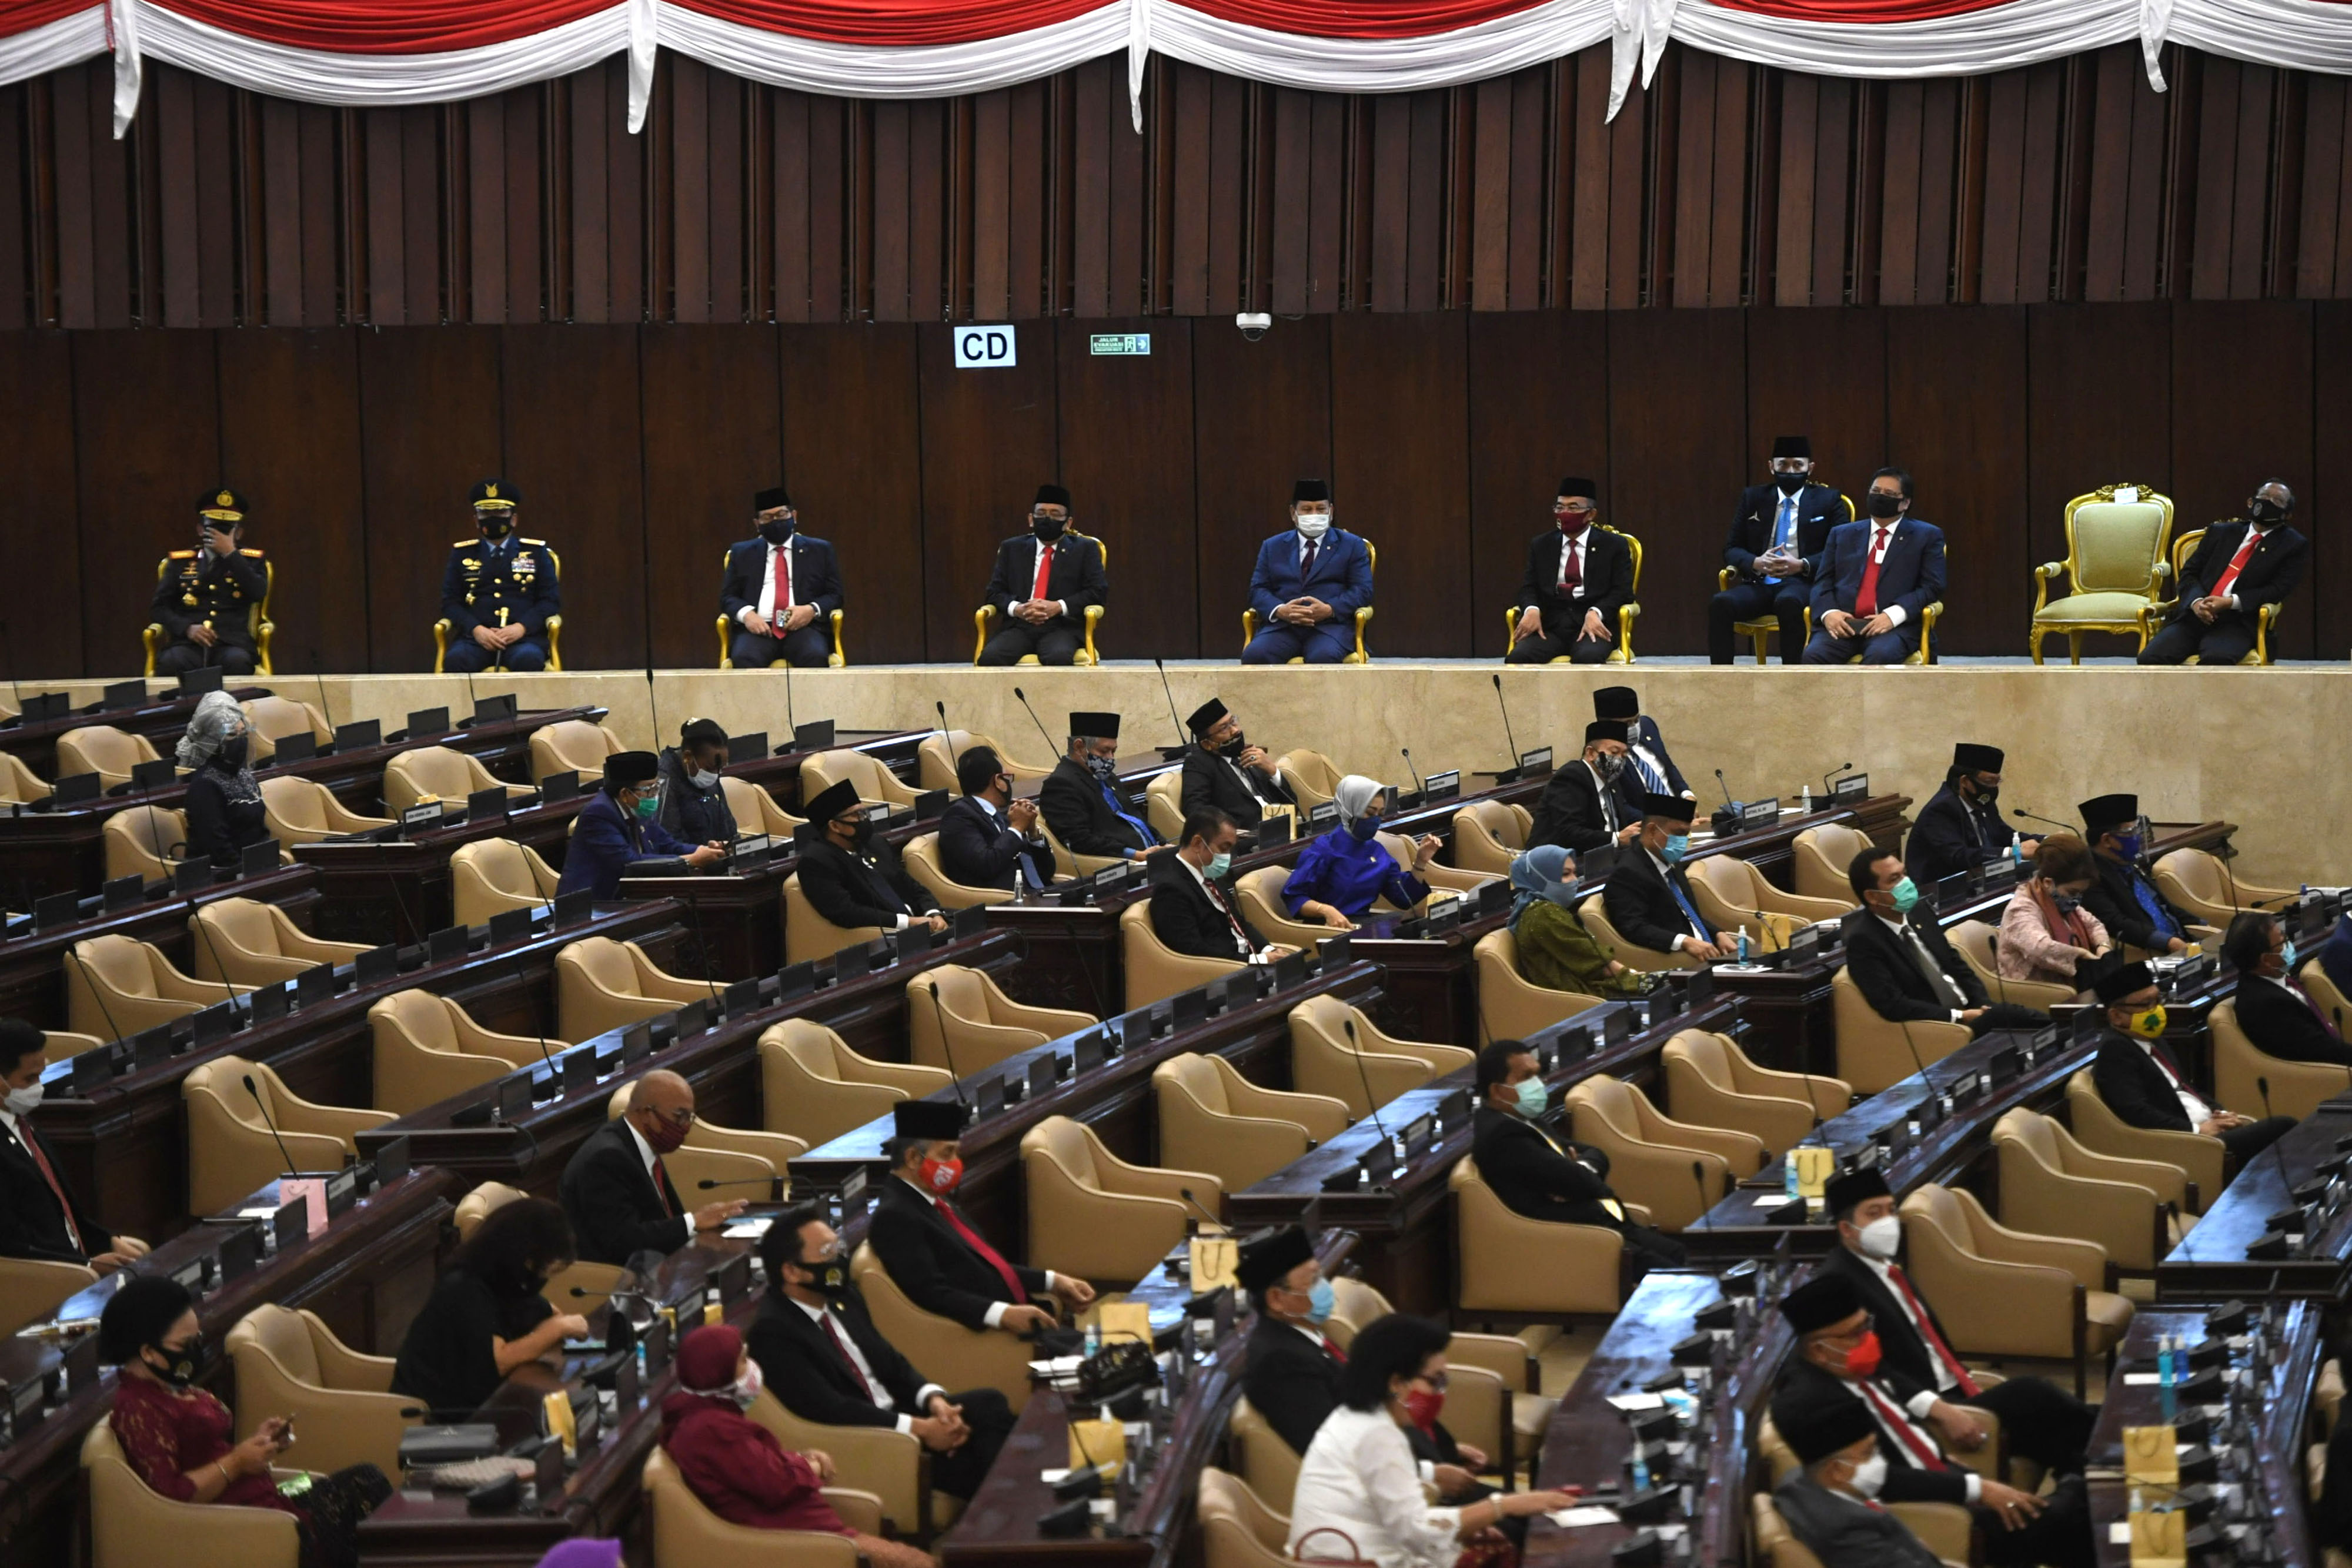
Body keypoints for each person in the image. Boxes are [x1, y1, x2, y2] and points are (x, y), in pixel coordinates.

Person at [1769, 1273, 2091, 1568]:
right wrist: (1977, 1488)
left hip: (1943, 1469)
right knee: (2076, 1509)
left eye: (1867, 1324)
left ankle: (2097, 1458)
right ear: (1820, 1350)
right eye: (1856, 1333)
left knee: (2033, 1403)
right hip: (1931, 1505)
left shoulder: (1848, 1359)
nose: (1868, 1338)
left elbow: (1889, 1380)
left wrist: (1937, 1427)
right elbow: (1873, 1477)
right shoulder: (1810, 1402)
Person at [101, 1273, 391, 1568]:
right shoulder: (138, 1408)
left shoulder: (170, 1383)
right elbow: (172, 1497)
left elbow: (209, 1452)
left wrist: (260, 1445)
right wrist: (239, 1461)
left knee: (365, 1482)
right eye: (184, 1344)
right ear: (148, 1351)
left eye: (197, 1340)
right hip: (244, 1522)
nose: (194, 1352)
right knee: (360, 1498)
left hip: (267, 1497)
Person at [1815, 1169, 2094, 1476]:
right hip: (1924, 1408)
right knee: (2034, 1394)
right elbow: (1864, 1369)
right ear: (1847, 1229)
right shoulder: (1838, 1283)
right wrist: (1940, 1410)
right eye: (1874, 1213)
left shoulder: (1882, 1265)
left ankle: (2090, 1474)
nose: (1888, 1221)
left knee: (2055, 1435)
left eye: (1891, 1210)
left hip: (1956, 1386)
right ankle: (2114, 1439)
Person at [1237, 1229, 1501, 1526]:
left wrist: (1447, 1451)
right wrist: (1428, 1473)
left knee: (1534, 1517)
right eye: (1312, 1282)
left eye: (1320, 1276)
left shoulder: (1303, 1336)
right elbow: (1335, 1450)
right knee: (1532, 1527)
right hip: (1398, 1501)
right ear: (1276, 1299)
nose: (1324, 1289)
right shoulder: (1280, 1362)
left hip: (1412, 1468)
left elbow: (1374, 1408)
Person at [747, 1203, 1013, 1499]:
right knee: (982, 1461)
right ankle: (1002, 1513)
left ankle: (1003, 1505)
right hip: (870, 1440)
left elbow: (891, 1361)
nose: (839, 1261)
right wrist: (921, 1430)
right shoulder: (774, 1332)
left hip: (901, 1414)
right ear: (792, 1271)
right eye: (827, 1254)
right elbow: (833, 1408)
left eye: (838, 1248)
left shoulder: (843, 1296)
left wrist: (936, 1402)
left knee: (990, 1404)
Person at [1286, 1313, 1577, 1568]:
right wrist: (1504, 1506)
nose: (1441, 1394)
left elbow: (1402, 1512)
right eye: (1434, 1381)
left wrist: (1469, 1524)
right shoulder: (1377, 1434)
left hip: (1364, 1547)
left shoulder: (1357, 1416)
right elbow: (1415, 1529)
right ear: (1395, 1382)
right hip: (1355, 1560)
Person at [659, 1323, 937, 1568]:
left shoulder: (711, 1418)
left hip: (817, 1533)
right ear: (718, 1372)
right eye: (744, 1359)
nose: (753, 1365)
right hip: (802, 1544)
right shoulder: (711, 1431)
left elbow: (755, 1468)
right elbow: (776, 1483)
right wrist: (811, 1466)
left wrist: (798, 1459)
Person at [867, 1100, 1095, 1334]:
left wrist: (1053, 1281)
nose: (956, 1163)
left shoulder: (935, 1200)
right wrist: (1001, 1315)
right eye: (948, 1153)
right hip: (996, 1337)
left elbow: (986, 1268)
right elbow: (931, 1294)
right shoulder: (895, 1217)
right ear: (914, 1158)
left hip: (1025, 1320)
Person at [1471, 1040, 1685, 1276]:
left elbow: (1596, 1154)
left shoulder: (1522, 1118)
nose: (1537, 1084)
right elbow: (1585, 1183)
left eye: (1537, 1074)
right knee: (1676, 1275)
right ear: (1496, 1090)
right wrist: (1576, 1171)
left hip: (1605, 1222)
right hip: (1577, 1237)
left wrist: (1578, 1167)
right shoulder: (1504, 1136)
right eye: (1526, 1077)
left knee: (1678, 1254)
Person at [391, 1196, 589, 1419]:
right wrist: (557, 1330)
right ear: (527, 1261)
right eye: (546, 1272)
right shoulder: (463, 1288)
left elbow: (547, 1313)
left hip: (480, 1407)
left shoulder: (506, 1281)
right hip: (437, 1421)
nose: (541, 1281)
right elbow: (500, 1361)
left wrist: (558, 1326)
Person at [2090, 960, 2293, 1162]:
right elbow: (2138, 1113)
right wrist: (2197, 1130)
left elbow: (2186, 1087)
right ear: (2116, 1016)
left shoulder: (2151, 1038)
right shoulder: (2115, 1050)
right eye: (2145, 1005)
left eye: (2157, 1000)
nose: (2156, 1010)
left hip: (2207, 1126)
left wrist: (2218, 1112)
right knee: (2284, 1126)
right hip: (2186, 1143)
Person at [1844, 848, 2048, 1038]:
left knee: (2025, 1022)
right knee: (2024, 1021)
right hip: (1939, 1028)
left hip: (1973, 1011)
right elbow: (1894, 1005)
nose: (1906, 883)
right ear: (1871, 896)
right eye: (1894, 879)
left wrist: (1982, 1004)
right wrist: (1959, 1016)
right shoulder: (1863, 940)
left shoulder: (1919, 911)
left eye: (1904, 874)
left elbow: (1955, 963)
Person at [557, 1068, 748, 1265]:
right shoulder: (605, 1159)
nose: (686, 1127)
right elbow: (623, 1241)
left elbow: (657, 1220)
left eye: (689, 1117)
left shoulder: (641, 1145)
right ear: (647, 1114)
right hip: (617, 1281)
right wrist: (694, 1222)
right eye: (679, 1116)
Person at [0, 1016, 147, 1270]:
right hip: (44, 1273)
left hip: (73, 1257)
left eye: (40, 1076)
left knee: (144, 1260)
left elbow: (64, 1210)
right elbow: (11, 1243)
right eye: (29, 1079)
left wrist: (107, 1241)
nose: (39, 1089)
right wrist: (86, 1265)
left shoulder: (25, 1124)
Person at [2140, 480, 2307, 666]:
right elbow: (2189, 574)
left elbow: (2277, 590)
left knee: (2216, 660)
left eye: (2277, 500)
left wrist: (2230, 603)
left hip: (2238, 622)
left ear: (2287, 514)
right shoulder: (2220, 533)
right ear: (2251, 502)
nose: (2268, 502)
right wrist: (2197, 603)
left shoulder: (2293, 545)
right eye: (2264, 497)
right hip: (2194, 616)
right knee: (2150, 658)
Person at [1711, 437, 1843, 666]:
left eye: (1797, 466)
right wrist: (1756, 562)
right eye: (1783, 465)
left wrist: (1802, 564)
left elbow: (1841, 553)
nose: (1790, 471)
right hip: (1759, 584)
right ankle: (1722, 681)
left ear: (1810, 468)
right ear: (1771, 466)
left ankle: (1791, 680)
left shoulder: (1828, 500)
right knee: (1720, 604)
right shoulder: (1753, 498)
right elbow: (1731, 549)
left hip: (1802, 583)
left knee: (1789, 602)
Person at [1771, 1396, 1944, 1568]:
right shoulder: (1847, 1532)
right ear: (1836, 1470)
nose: (1879, 1459)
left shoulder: (1796, 1483)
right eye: (1868, 1453)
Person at [1803, 469, 1945, 665]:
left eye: (1889, 495)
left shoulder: (1926, 536)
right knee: (1814, 655)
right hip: (1845, 624)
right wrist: (1829, 613)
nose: (1880, 497)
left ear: (1905, 503)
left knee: (1880, 656)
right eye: (1876, 491)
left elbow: (1932, 586)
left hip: (1894, 627)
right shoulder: (1842, 534)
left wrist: (1893, 615)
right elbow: (1823, 582)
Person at [554, 750, 726, 902]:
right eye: (648, 789)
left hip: (627, 898)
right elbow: (629, 863)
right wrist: (690, 861)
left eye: (656, 787)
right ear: (624, 794)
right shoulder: (599, 814)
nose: (654, 796)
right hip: (590, 906)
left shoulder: (637, 809)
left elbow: (667, 845)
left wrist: (705, 850)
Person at [1244, 480, 1374, 664]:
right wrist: (1281, 610)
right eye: (1307, 509)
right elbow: (1257, 590)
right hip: (1284, 627)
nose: (1315, 515)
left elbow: (1363, 590)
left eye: (1321, 509)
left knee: (1322, 657)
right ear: (1293, 513)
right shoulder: (1273, 546)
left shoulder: (1351, 545)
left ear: (1331, 512)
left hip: (1330, 628)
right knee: (1255, 656)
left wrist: (1330, 609)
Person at [1508, 477, 1635, 666]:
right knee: (1519, 656)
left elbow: (1623, 591)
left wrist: (1596, 612)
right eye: (1560, 508)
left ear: (1591, 514)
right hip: (1551, 627)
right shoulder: (1542, 545)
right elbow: (1529, 587)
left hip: (1593, 626)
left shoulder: (1613, 545)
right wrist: (1532, 610)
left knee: (1587, 657)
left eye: (1573, 508)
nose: (1565, 513)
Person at [1280, 776, 1435, 930]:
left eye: (1380, 814)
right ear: (1349, 810)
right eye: (1369, 813)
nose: (1375, 820)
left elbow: (1403, 898)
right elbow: (1294, 897)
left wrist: (1421, 861)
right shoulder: (1324, 849)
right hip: (1329, 928)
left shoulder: (1376, 850)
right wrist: (1326, 910)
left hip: (1363, 925)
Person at [797, 778, 948, 935]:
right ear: (835, 826)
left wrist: (933, 913)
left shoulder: (875, 843)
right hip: (888, 935)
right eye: (857, 815)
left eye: (865, 812)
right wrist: (908, 923)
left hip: (923, 921)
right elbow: (847, 912)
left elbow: (910, 884)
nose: (865, 820)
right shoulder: (816, 861)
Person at [977, 484, 1107, 666]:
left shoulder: (1084, 549)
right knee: (990, 658)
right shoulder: (1012, 548)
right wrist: (1019, 609)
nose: (1047, 519)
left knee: (1058, 657)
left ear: (1068, 523)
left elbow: (1097, 591)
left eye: (1055, 514)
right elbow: (994, 592)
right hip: (1020, 625)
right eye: (1041, 513)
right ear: (1031, 519)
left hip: (1062, 627)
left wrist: (1058, 606)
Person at [440, 479, 559, 673]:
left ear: (513, 519)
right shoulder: (462, 554)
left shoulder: (536, 552)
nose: (492, 518)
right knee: (456, 660)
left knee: (529, 660)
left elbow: (550, 601)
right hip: (475, 641)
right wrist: (477, 630)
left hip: (523, 639)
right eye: (485, 513)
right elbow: (450, 603)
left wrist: (521, 628)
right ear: (476, 520)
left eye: (500, 512)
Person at [720, 485, 845, 669]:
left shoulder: (820, 550)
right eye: (767, 518)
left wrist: (811, 610)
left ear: (794, 516)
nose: (775, 521)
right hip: (758, 629)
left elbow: (836, 595)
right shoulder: (742, 553)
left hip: (804, 628)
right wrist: (747, 615)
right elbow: (727, 597)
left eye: (781, 515)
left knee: (814, 656)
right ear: (757, 524)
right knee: (745, 659)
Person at [1148, 807, 1294, 963]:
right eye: (1224, 848)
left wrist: (1268, 950)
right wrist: (1258, 960)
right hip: (1222, 972)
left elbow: (1240, 923)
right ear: (1197, 843)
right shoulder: (1171, 889)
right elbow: (1192, 951)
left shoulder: (1211, 875)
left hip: (1244, 961)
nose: (1227, 856)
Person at [1602, 794, 1735, 962]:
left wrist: (1717, 933)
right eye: (1678, 833)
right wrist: (1684, 942)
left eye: (1686, 834)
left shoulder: (1670, 860)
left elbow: (1686, 914)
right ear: (1652, 831)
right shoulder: (1627, 873)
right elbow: (1634, 928)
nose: (1682, 841)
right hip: (1676, 962)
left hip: (1705, 952)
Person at [153, 489, 269, 678]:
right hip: (188, 643)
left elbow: (258, 592)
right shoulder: (180, 562)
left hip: (232, 644)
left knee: (238, 662)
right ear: (200, 530)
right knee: (171, 662)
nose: (218, 536)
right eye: (213, 528)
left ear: (239, 533)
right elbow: (159, 608)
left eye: (225, 530)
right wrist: (187, 628)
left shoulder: (252, 561)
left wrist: (231, 554)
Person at [1507, 847, 1644, 999]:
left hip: (1584, 992)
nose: (1574, 880)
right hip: (1586, 998)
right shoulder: (1544, 914)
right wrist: (1641, 980)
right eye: (1566, 874)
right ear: (1540, 876)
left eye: (1575, 873)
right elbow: (1599, 964)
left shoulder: (1534, 910)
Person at [2223, 911, 2352, 1066]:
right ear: (2266, 960)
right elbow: (2321, 1050)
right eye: (2283, 942)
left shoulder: (2274, 979)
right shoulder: (2266, 1006)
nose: (2288, 945)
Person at [2076, 794, 2198, 957]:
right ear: (2106, 841)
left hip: (2181, 943)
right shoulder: (2089, 876)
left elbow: (2163, 907)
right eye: (2131, 832)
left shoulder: (2127, 863)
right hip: (2151, 955)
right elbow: (2115, 923)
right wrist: (2168, 942)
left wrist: (2202, 924)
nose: (2138, 837)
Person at [1904, 743, 2036, 887]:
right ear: (1965, 781)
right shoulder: (1940, 809)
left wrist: (2048, 841)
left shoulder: (1983, 803)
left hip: (1980, 882)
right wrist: (2015, 852)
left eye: (1997, 782)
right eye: (1988, 782)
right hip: (1940, 892)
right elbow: (1959, 856)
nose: (1993, 788)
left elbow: (2004, 835)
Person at [1994, 834, 2114, 990]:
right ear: (2048, 883)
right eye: (2072, 892)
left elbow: (2093, 924)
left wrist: (2103, 946)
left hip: (2068, 987)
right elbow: (2040, 949)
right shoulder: (2021, 909)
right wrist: (2081, 955)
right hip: (2037, 992)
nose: (2076, 899)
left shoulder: (2060, 901)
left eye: (2080, 893)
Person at [1038, 711, 1159, 861]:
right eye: (1104, 751)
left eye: (1113, 751)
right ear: (1079, 747)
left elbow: (1135, 817)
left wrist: (1161, 844)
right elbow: (1079, 840)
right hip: (1121, 864)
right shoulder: (1060, 785)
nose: (1110, 758)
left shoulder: (1107, 777)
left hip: (1150, 856)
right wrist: (1135, 855)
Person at [177, 690, 274, 869]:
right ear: (214, 742)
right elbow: (217, 847)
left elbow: (260, 830)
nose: (240, 741)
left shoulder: (245, 776)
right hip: (222, 874)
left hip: (255, 868)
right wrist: (248, 871)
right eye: (231, 735)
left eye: (243, 734)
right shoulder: (204, 786)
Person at [938, 744, 1052, 893]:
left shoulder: (1002, 816)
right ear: (998, 780)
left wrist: (1033, 834)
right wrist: (1017, 828)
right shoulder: (958, 818)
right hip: (1005, 904)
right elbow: (986, 865)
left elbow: (1047, 871)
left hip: (1039, 894)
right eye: (1007, 777)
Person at [1180, 697, 1295, 829]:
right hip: (1249, 840)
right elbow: (1196, 811)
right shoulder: (1199, 764)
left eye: (1233, 722)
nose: (1235, 731)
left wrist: (1272, 771)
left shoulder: (1248, 754)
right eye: (1224, 728)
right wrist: (1232, 833)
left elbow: (1293, 806)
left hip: (1282, 830)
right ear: (1207, 744)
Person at [1529, 721, 1640, 854]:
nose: (1619, 760)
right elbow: (1569, 832)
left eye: (1624, 755)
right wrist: (1617, 839)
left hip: (1605, 860)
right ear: (1591, 753)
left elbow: (1623, 820)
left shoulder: (1612, 781)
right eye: (1614, 752)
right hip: (1561, 864)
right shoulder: (1571, 777)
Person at [1593, 686, 1688, 815]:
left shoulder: (1647, 725)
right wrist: (1667, 821)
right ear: (1606, 726)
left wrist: (1687, 795)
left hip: (1678, 814)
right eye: (1626, 724)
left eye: (1636, 720)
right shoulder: (1601, 754)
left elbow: (1668, 766)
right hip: (1646, 823)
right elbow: (1619, 806)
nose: (1634, 727)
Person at [657, 718, 740, 847]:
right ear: (688, 757)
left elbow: (730, 831)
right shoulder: (664, 779)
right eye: (709, 768)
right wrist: (702, 854)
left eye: (720, 769)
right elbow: (668, 842)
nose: (715, 774)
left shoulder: (711, 772)